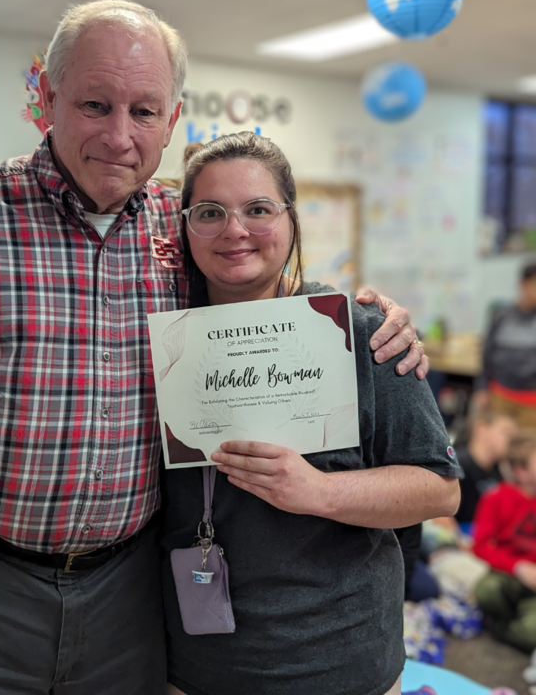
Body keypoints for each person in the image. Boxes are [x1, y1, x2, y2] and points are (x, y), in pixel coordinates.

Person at [0, 0, 428, 695]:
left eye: (143, 111)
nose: (118, 136)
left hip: (129, 592)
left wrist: (371, 315)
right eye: (94, 105)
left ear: (172, 119)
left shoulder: (188, 226)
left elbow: (262, 291)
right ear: (47, 98)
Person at [162, 131, 461, 695]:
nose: (234, 229)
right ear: (186, 227)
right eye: (210, 212)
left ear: (291, 219)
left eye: (258, 209)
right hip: (200, 665)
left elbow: (439, 491)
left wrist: (319, 491)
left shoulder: (362, 333)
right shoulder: (165, 342)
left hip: (345, 663)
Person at [473, 433, 536, 652]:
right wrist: (518, 568)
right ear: (520, 471)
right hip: (507, 576)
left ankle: (505, 628)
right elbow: (480, 546)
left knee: (531, 633)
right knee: (487, 590)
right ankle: (499, 622)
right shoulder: (496, 498)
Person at [476, 261, 536, 430]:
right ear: (523, 285)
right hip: (501, 396)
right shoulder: (501, 316)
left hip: (531, 401)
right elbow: (486, 354)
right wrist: (481, 388)